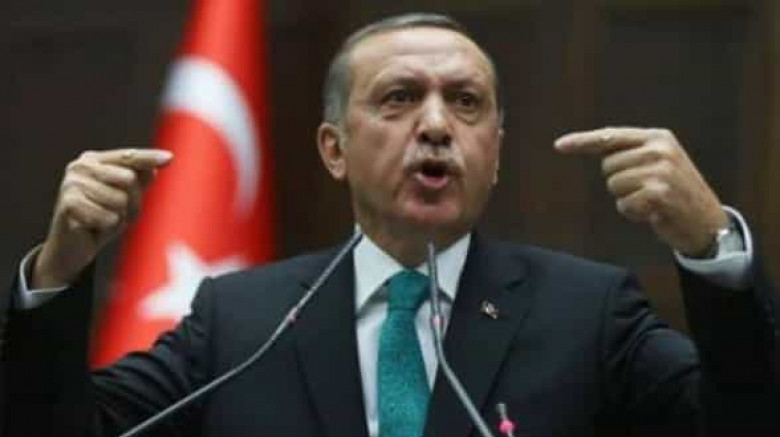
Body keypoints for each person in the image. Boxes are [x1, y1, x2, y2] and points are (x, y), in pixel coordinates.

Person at [2, 12, 777, 437]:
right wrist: (58, 273)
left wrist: (710, 246)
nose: (436, 125)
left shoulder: (588, 313)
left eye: (466, 103)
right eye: (400, 98)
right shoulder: (240, 322)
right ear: (334, 149)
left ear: (495, 152)